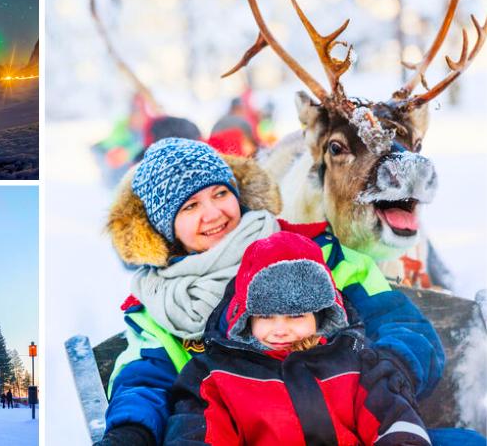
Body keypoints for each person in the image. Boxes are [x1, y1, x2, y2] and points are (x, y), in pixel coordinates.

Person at [97, 137, 445, 446]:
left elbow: (402, 326)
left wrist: (381, 391)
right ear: (164, 226)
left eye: (220, 193)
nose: (214, 213)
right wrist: (131, 430)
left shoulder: (317, 255)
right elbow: (143, 381)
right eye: (190, 206)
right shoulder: (157, 308)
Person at [165, 231, 432, 445]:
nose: (280, 329)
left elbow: (392, 416)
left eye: (296, 316)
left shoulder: (353, 361)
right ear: (247, 318)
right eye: (266, 317)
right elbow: (197, 430)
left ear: (320, 316)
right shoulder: (216, 375)